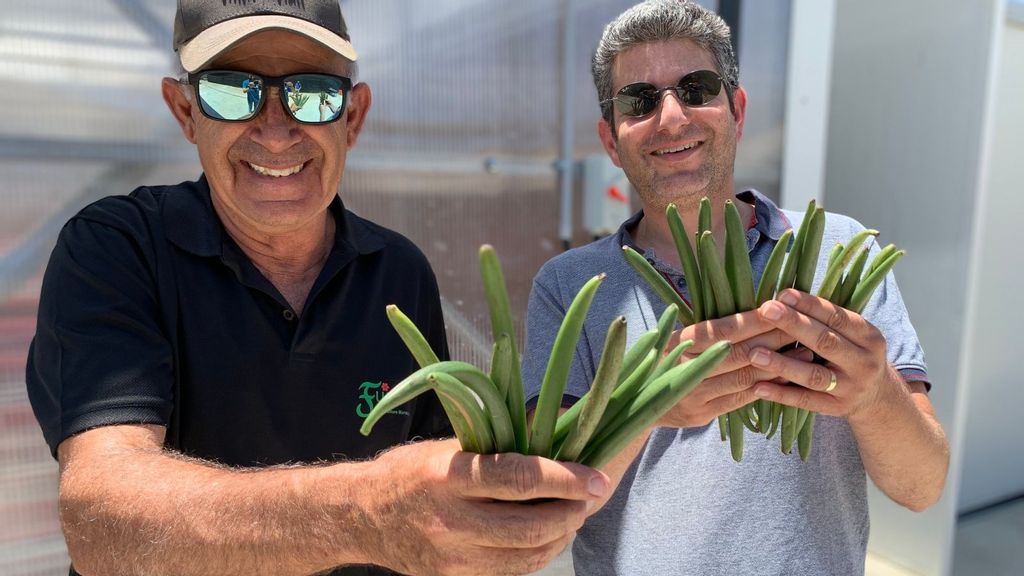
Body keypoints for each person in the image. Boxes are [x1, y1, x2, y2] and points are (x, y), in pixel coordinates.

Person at [24, 2, 608, 575]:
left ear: (352, 118)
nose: (276, 132)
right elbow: (102, 522)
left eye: (312, 93)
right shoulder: (118, 249)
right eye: (232, 90)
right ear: (184, 111)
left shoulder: (398, 272)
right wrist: (367, 511)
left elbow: (444, 498)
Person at [520, 1, 950, 575]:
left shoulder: (839, 252)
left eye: (697, 88)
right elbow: (541, 511)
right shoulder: (571, 286)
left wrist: (874, 394)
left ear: (737, 110)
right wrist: (649, 406)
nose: (671, 118)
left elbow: (922, 486)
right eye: (639, 100)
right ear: (610, 138)